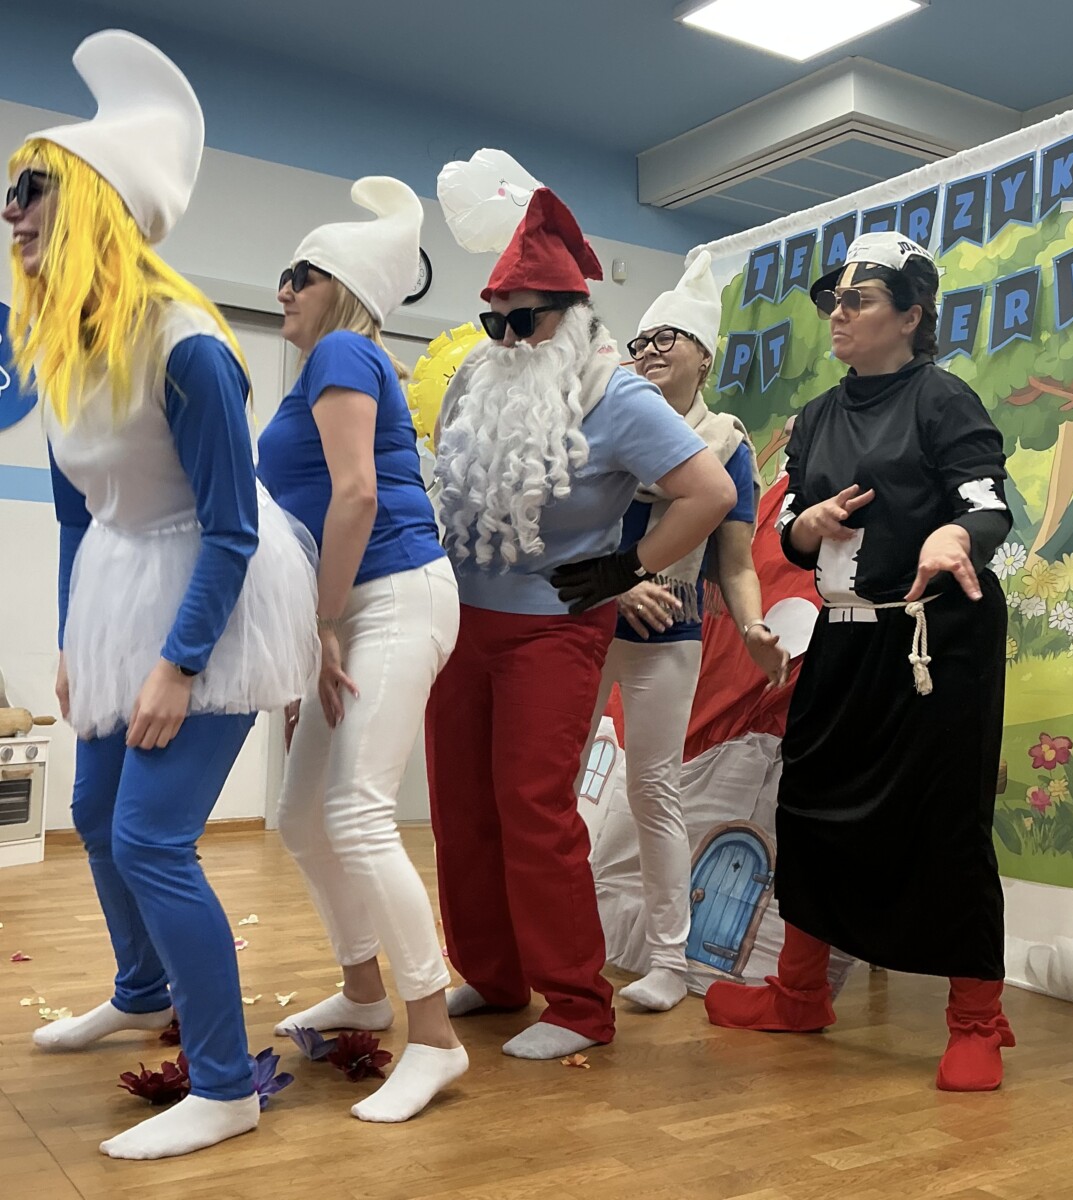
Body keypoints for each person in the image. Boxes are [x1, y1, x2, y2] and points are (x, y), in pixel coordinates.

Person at [4, 31, 318, 1158]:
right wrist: (74, 641)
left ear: (95, 203)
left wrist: (178, 665)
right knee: (94, 815)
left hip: (214, 595)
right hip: (118, 584)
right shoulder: (59, 345)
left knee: (149, 839)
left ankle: (226, 1085)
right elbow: (76, 514)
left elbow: (232, 528)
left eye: (31, 190)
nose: (10, 213)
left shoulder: (189, 349)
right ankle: (142, 990)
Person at [426, 187, 737, 1060]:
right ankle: (493, 975)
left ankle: (576, 1003)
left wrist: (622, 568)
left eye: (524, 321)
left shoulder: (616, 395)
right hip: (462, 623)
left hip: (552, 631)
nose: (507, 340)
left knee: (533, 808)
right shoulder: (476, 380)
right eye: (493, 321)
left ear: (569, 316)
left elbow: (709, 492)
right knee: (460, 806)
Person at [705, 232, 1016, 1092]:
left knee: (945, 823)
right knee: (810, 807)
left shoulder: (944, 399)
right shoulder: (816, 416)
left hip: (934, 638)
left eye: (859, 299)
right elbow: (792, 525)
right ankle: (799, 992)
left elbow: (987, 502)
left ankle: (976, 1022)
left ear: (912, 315)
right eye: (831, 301)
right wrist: (806, 527)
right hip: (841, 634)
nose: (837, 314)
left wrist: (956, 535)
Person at [256, 177, 467, 1124]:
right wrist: (312, 626)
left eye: (298, 274)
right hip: (350, 604)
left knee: (356, 814)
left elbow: (356, 496)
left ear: (338, 286)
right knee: (302, 815)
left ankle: (437, 1038)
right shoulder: (325, 363)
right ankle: (363, 991)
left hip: (391, 597)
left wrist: (322, 623)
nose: (283, 288)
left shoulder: (344, 349)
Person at [580, 251, 789, 1013]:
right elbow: (570, 529)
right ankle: (557, 942)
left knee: (654, 789)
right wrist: (618, 583)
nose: (649, 350)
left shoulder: (726, 445)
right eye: (641, 340)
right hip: (586, 619)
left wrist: (755, 625)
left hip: (670, 629)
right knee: (552, 782)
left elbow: (734, 562)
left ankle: (668, 960)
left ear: (705, 356)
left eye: (668, 338)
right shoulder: (605, 419)